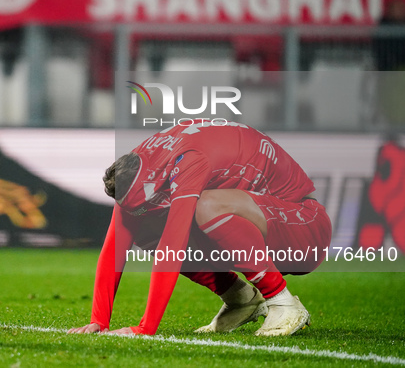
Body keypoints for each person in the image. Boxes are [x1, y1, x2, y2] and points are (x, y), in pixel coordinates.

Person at [68, 121, 332, 337]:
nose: (136, 211)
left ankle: (281, 301)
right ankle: (241, 298)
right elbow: (115, 246)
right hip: (267, 225)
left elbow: (171, 247)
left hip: (306, 228)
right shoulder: (139, 168)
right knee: (145, 227)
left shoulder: (188, 161)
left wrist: (145, 329)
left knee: (206, 207)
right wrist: (99, 321)